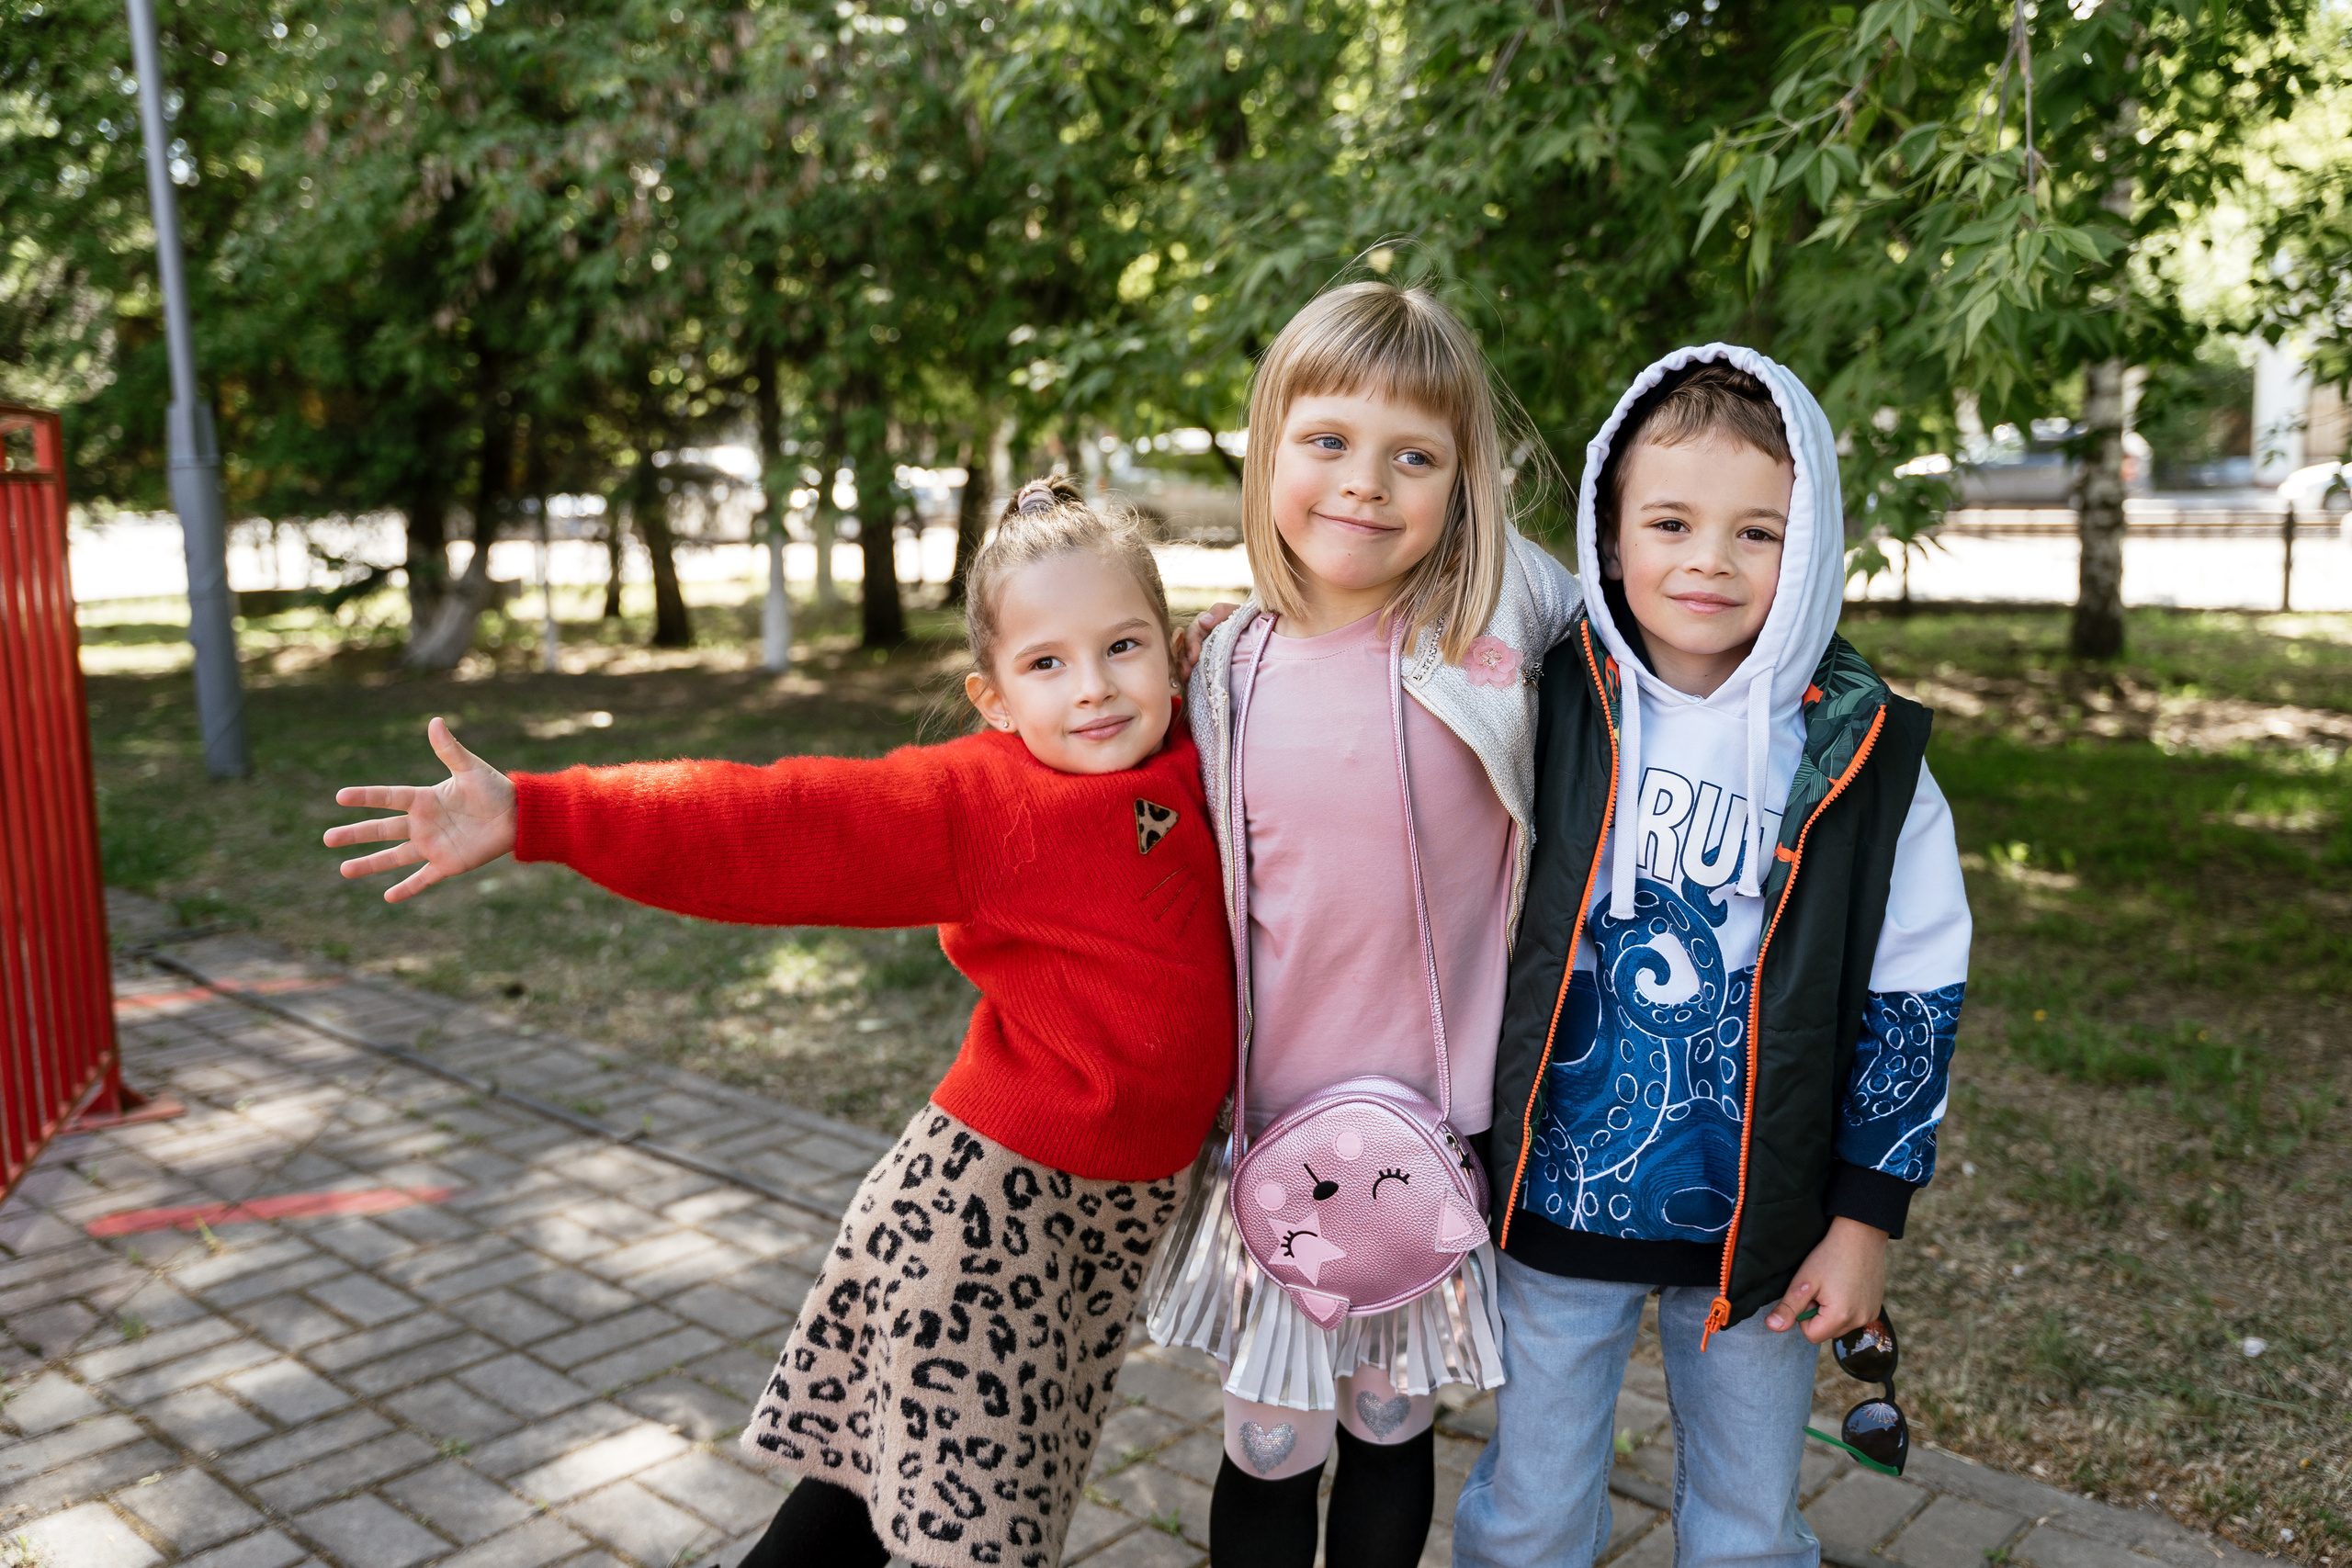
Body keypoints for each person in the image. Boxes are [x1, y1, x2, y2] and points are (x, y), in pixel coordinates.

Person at [322, 479, 1234, 1568]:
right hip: (991, 1228)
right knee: (976, 1542)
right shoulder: (983, 803)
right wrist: (544, 813)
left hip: (1096, 1236)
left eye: (1121, 648)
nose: (1093, 689)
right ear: (990, 698)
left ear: (1171, 653)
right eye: (1047, 663)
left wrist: (1236, 646)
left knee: (850, 1509)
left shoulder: (1192, 754)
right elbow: (768, 820)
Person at [1450, 350, 1973, 1568]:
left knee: (1745, 1524)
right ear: (1609, 531)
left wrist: (1866, 1216)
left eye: (1759, 531)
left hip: (1768, 1217)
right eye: (1670, 521)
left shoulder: (1864, 751)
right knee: (1529, 1508)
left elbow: (1916, 990)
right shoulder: (1545, 697)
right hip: (1555, 1194)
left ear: (1820, 540)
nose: (1708, 559)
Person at [1139, 280, 1580, 1568]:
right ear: (1270, 443)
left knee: (1392, 1427)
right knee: (1271, 1442)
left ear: (1463, 481)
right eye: (1328, 441)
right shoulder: (1223, 666)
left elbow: (1651, 597)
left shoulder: (1495, 622)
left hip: (1435, 1138)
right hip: (1277, 1134)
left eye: (1416, 456)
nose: (1366, 484)